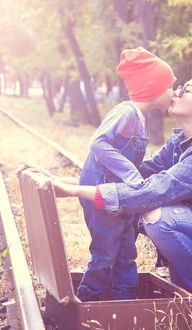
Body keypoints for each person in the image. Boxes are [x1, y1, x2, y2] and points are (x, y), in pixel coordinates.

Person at [53, 71, 192, 309]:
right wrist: (64, 181)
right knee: (137, 210)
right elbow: (143, 174)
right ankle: (158, 294)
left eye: (187, 89)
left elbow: (153, 192)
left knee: (158, 218)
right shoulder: (183, 139)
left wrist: (74, 192)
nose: (177, 91)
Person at [31, 47, 175, 302]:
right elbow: (98, 143)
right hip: (101, 199)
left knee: (126, 254)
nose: (174, 93)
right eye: (170, 87)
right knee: (105, 255)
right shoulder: (126, 112)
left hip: (119, 200)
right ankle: (82, 303)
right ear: (154, 88)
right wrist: (132, 175)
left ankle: (126, 302)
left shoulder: (138, 118)